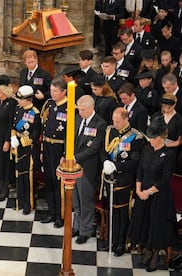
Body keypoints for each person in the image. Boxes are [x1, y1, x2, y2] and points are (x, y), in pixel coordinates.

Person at [128, 116, 176, 272]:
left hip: (158, 195)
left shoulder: (168, 154)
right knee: (144, 221)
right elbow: (140, 170)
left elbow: (165, 179)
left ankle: (155, 253)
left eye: (153, 138)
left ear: (161, 138)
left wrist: (148, 192)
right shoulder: (147, 149)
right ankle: (146, 249)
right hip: (143, 191)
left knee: (156, 224)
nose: (150, 141)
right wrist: (138, 190)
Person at [101, 107, 145, 257]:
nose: (115, 123)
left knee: (122, 212)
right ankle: (111, 240)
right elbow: (103, 151)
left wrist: (116, 166)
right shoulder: (110, 131)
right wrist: (106, 162)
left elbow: (135, 162)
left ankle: (121, 242)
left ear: (126, 120)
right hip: (109, 178)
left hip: (124, 180)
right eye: (114, 120)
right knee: (111, 210)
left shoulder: (136, 137)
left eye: (118, 121)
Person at [71, 95, 107, 244]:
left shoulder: (100, 124)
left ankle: (86, 230)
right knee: (75, 199)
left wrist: (75, 158)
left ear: (91, 108)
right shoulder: (78, 118)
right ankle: (76, 226)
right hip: (73, 166)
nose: (80, 112)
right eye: (79, 109)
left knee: (86, 199)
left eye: (83, 110)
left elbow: (94, 148)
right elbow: (71, 139)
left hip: (87, 167)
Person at [40, 76, 68, 228]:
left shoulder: (70, 108)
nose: (52, 94)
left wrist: (64, 155)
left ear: (64, 92)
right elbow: (44, 128)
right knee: (49, 181)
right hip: (48, 147)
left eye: (55, 91)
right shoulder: (49, 105)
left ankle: (60, 215)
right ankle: (51, 212)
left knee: (59, 183)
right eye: (51, 90)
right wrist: (43, 149)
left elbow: (70, 135)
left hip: (59, 149)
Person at [10, 85, 41, 215]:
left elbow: (35, 134)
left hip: (28, 149)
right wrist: (12, 137)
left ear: (28, 99)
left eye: (20, 99)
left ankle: (29, 203)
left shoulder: (35, 113)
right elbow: (13, 126)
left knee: (27, 177)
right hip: (17, 147)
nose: (18, 101)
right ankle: (20, 200)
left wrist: (21, 142)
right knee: (19, 175)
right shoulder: (18, 109)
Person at [152, 93, 182, 173]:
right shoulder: (157, 116)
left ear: (174, 105)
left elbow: (179, 141)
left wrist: (164, 145)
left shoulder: (179, 120)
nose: (166, 110)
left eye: (169, 107)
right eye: (164, 107)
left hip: (170, 151)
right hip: (156, 149)